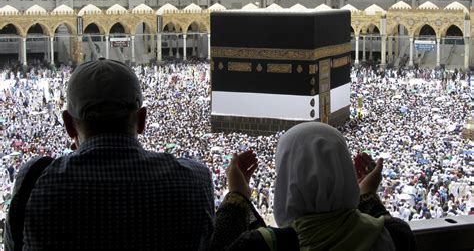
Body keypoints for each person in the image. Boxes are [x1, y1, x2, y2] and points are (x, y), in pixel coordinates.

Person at [4, 59, 215, 251]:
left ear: (68, 124)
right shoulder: (194, 179)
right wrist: (237, 198)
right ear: (142, 120)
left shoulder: (35, 182)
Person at [212, 122, 416, 250]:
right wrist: (367, 194)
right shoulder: (395, 235)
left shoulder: (260, 244)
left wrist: (237, 195)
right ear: (343, 169)